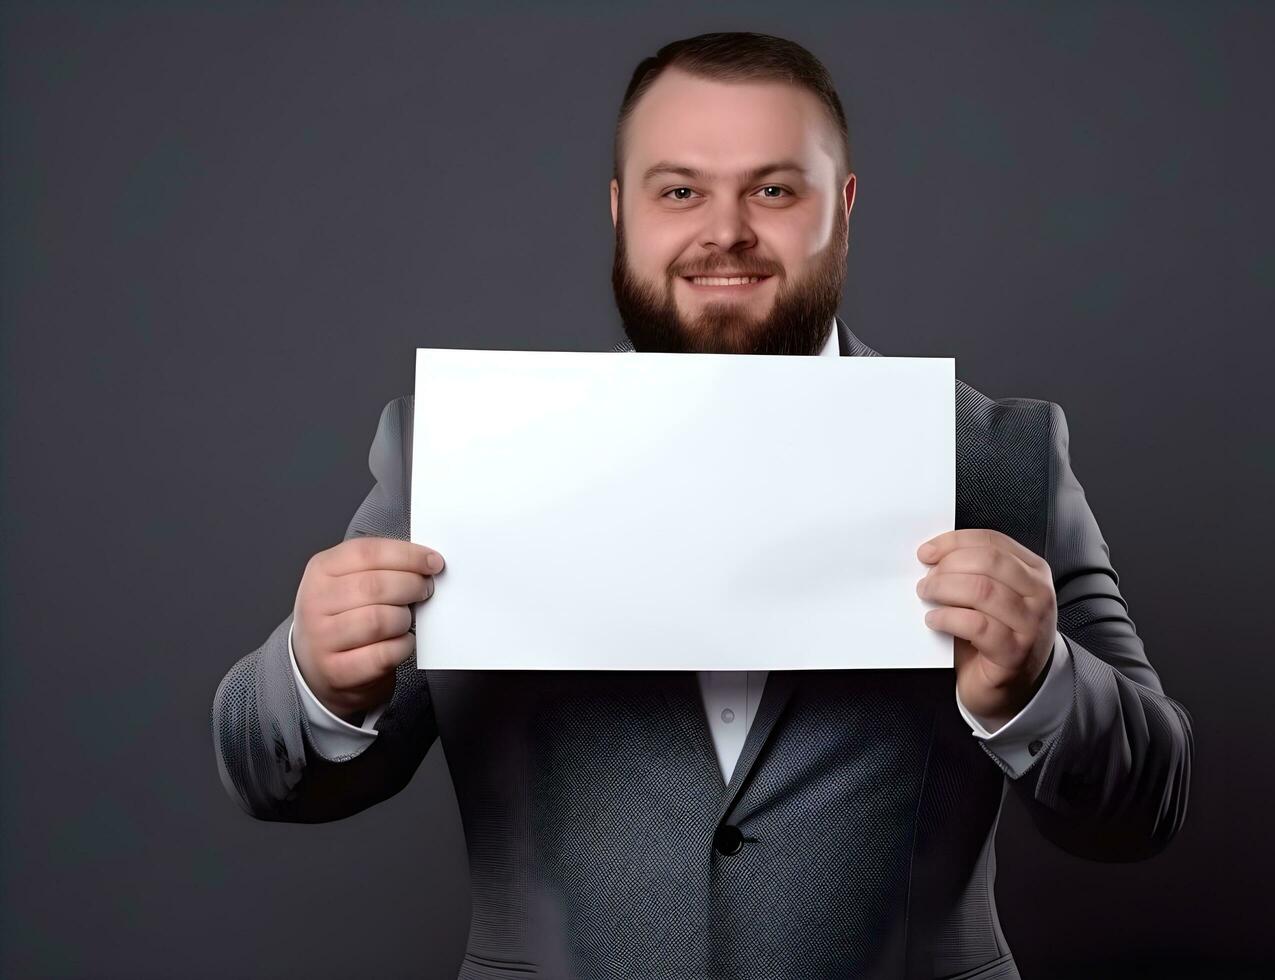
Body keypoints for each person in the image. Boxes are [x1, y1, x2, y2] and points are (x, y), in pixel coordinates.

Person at [212, 31, 1194, 980]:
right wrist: (315, 678)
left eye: (773, 189)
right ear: (619, 210)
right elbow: (274, 776)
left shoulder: (1000, 455)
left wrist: (1039, 683)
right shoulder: (463, 452)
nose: (724, 230)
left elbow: (1149, 801)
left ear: (843, 206)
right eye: (680, 190)